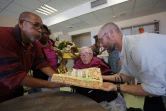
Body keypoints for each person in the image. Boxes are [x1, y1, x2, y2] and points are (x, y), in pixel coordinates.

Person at [98, 22, 166, 111]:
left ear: (111, 33)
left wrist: (115, 87)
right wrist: (100, 77)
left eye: (101, 40)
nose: (100, 45)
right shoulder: (123, 50)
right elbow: (125, 76)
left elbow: (156, 89)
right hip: (156, 91)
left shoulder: (137, 47)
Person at [0, 12, 66, 103]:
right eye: (36, 25)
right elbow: (16, 76)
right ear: (22, 23)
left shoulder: (33, 43)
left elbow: (41, 63)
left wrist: (60, 78)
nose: (40, 30)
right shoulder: (3, 36)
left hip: (16, 91)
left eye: (41, 27)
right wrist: (52, 84)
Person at [72, 47, 126, 111]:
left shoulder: (98, 63)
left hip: (101, 92)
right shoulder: (77, 65)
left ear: (91, 55)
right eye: (82, 54)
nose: (84, 56)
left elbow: (108, 77)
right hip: (85, 95)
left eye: (87, 54)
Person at [28, 24, 59, 93]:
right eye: (42, 34)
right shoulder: (34, 47)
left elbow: (57, 58)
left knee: (56, 95)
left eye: (46, 33)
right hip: (43, 77)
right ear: (38, 34)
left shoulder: (53, 43)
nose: (45, 35)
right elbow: (38, 64)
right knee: (45, 97)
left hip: (55, 73)